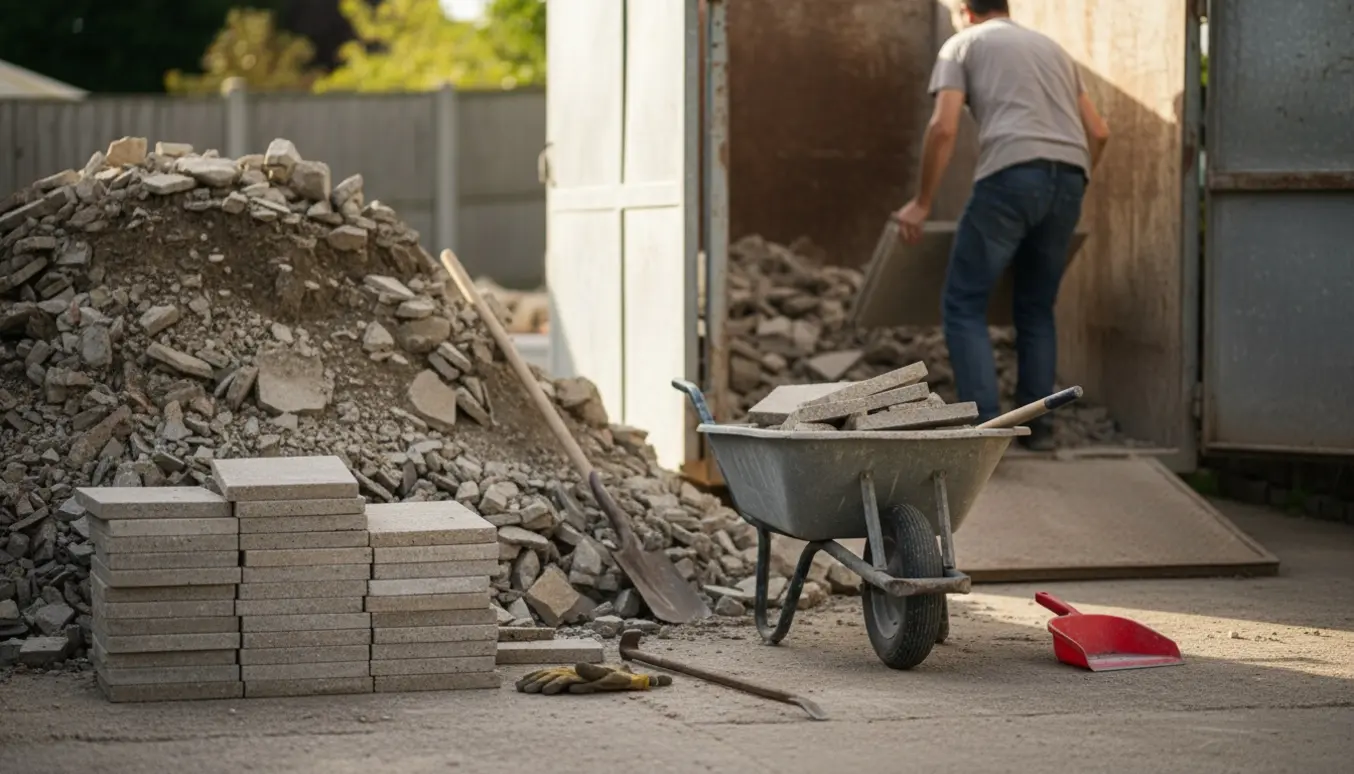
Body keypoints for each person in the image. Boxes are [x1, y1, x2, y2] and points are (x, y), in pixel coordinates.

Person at [895, 0, 1111, 451]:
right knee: (1036, 307)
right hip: (1070, 176)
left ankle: (989, 433)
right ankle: (1040, 428)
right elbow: (1100, 131)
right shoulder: (1054, 50)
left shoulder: (961, 45)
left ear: (965, 11)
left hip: (1011, 174)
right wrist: (1072, 182)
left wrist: (921, 203)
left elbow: (944, 128)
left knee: (964, 303)